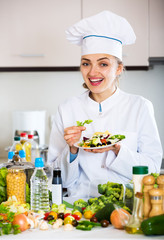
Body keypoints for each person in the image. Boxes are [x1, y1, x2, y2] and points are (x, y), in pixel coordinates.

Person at [48, 11, 163, 197]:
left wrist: (118, 150)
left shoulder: (140, 106)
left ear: (118, 68)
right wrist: (72, 150)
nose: (93, 72)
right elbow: (55, 177)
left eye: (103, 64)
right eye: (86, 63)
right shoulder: (67, 108)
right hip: (79, 209)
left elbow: (152, 171)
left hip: (126, 207)